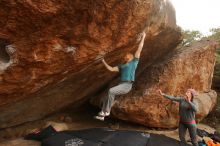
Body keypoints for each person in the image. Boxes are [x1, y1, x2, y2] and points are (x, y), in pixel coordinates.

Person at [95, 32, 146, 121]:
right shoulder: (121, 66)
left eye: (127, 55)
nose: (125, 56)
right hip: (121, 84)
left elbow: (140, 48)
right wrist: (103, 61)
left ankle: (107, 111)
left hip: (127, 85)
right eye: (125, 56)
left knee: (111, 91)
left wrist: (143, 37)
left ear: (131, 56)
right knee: (108, 94)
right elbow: (110, 69)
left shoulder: (134, 62)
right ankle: (102, 114)